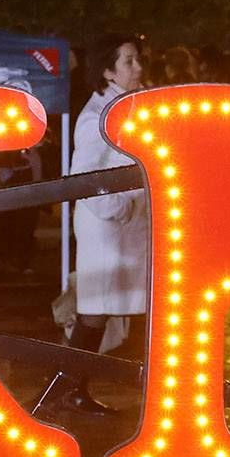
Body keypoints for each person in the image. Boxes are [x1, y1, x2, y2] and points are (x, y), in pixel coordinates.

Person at [67, 32, 151, 393]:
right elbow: (84, 177)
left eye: (138, 58)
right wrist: (121, 208)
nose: (138, 66)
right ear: (107, 71)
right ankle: (68, 389)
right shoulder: (97, 116)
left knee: (114, 308)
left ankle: (72, 389)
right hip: (107, 227)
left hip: (126, 227)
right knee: (96, 310)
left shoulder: (128, 104)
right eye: (128, 61)